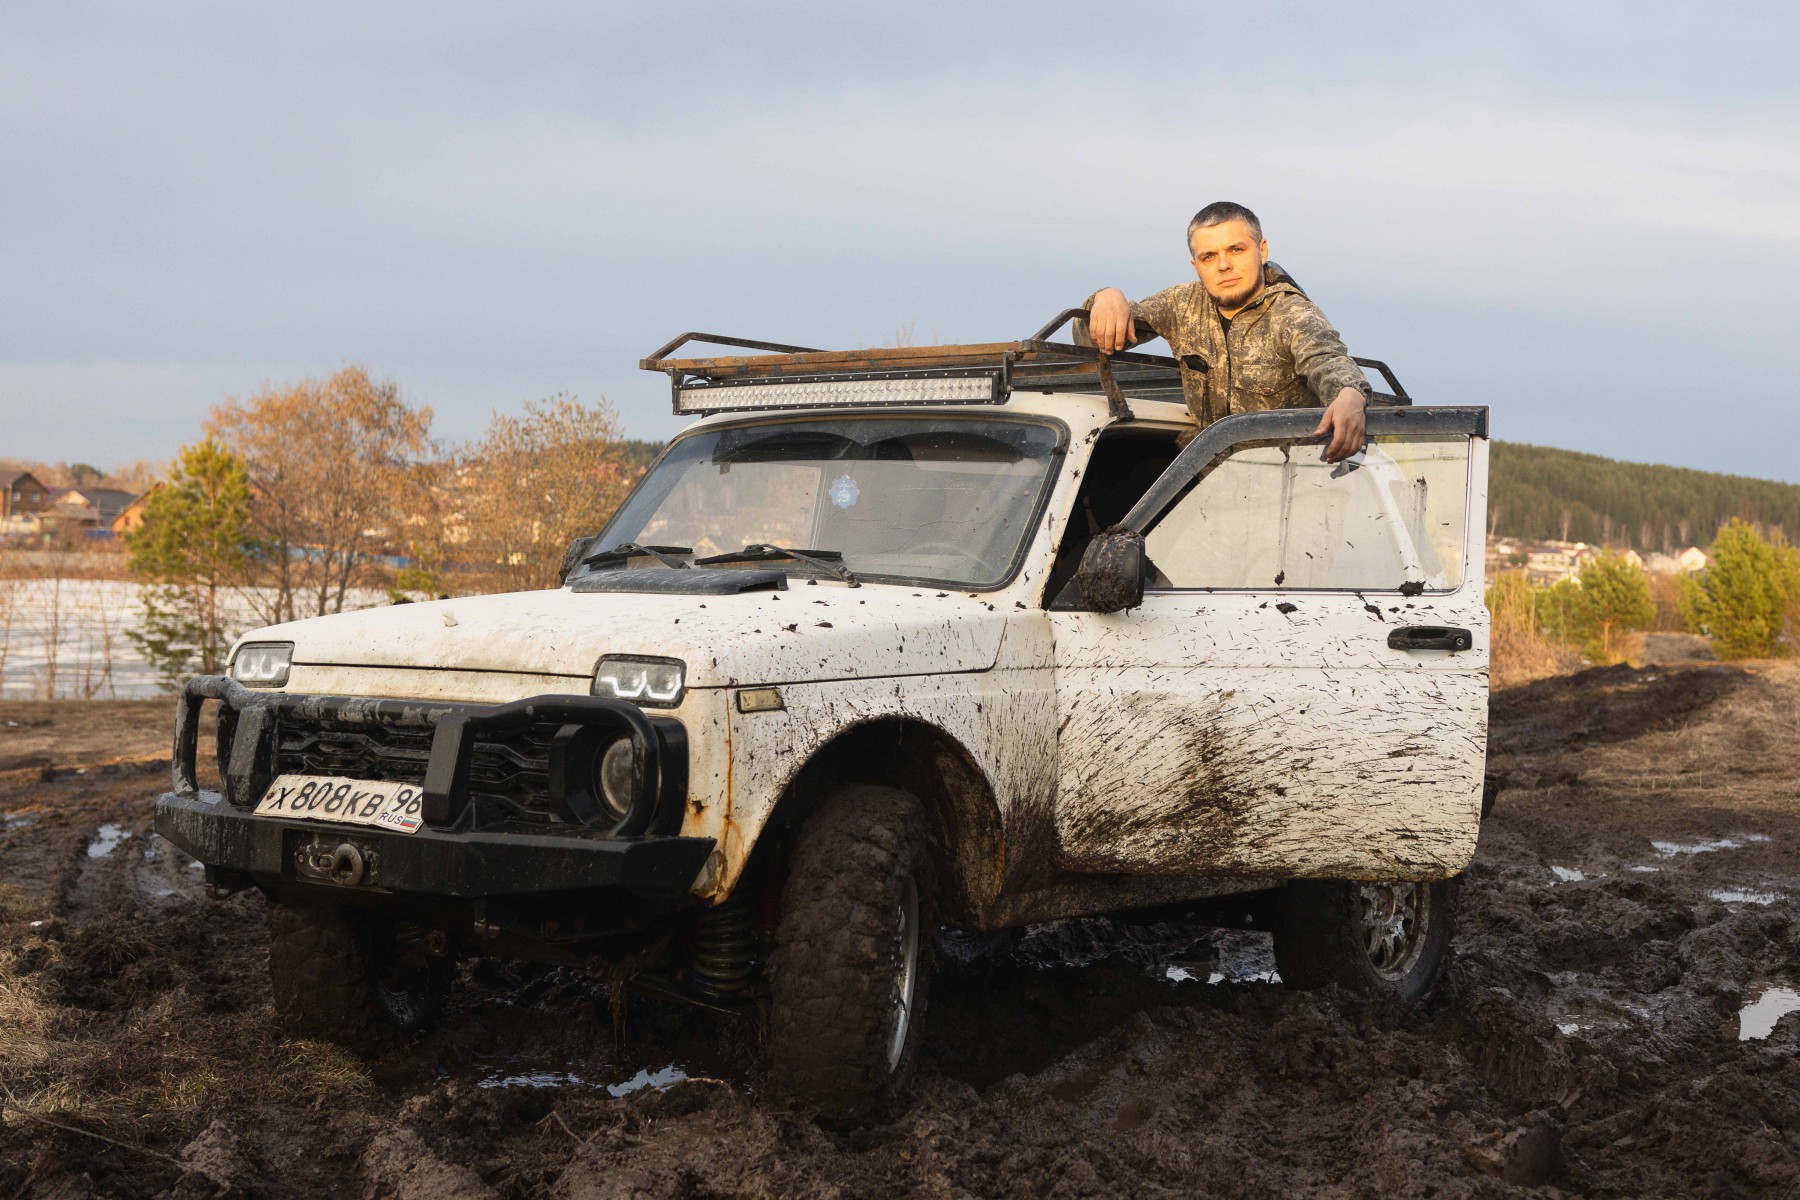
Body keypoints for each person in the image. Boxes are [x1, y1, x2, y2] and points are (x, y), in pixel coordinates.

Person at [1085, 201, 1371, 462]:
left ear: (1262, 250)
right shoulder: (1181, 304)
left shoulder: (1292, 313)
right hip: (1208, 480)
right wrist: (1106, 296)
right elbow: (1092, 337)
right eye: (1209, 256)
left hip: (1288, 483)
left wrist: (1350, 395)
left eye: (1236, 250)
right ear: (1196, 266)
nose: (1224, 265)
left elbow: (1329, 361)